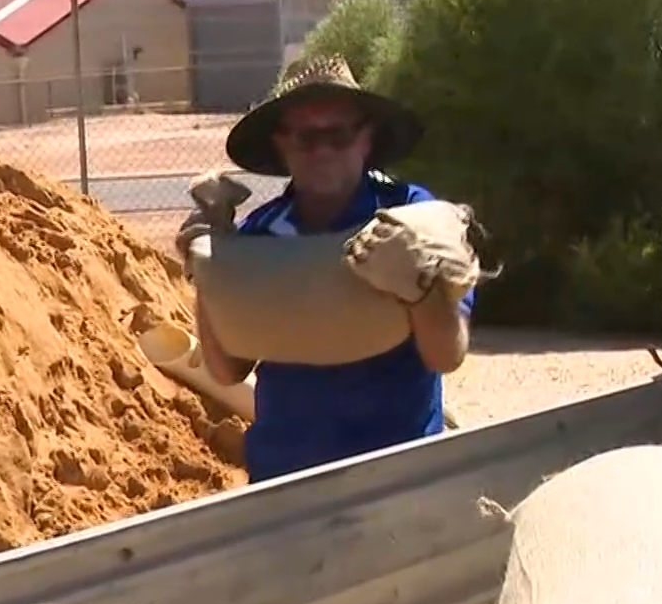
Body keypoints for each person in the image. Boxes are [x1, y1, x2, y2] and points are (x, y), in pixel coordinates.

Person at [193, 56, 473, 483]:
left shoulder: (413, 218)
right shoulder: (261, 235)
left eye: (338, 134)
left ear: (366, 139)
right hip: (284, 478)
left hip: (398, 472)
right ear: (282, 145)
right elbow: (227, 369)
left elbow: (446, 354)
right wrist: (207, 268)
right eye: (306, 137)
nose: (322, 149)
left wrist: (421, 291)